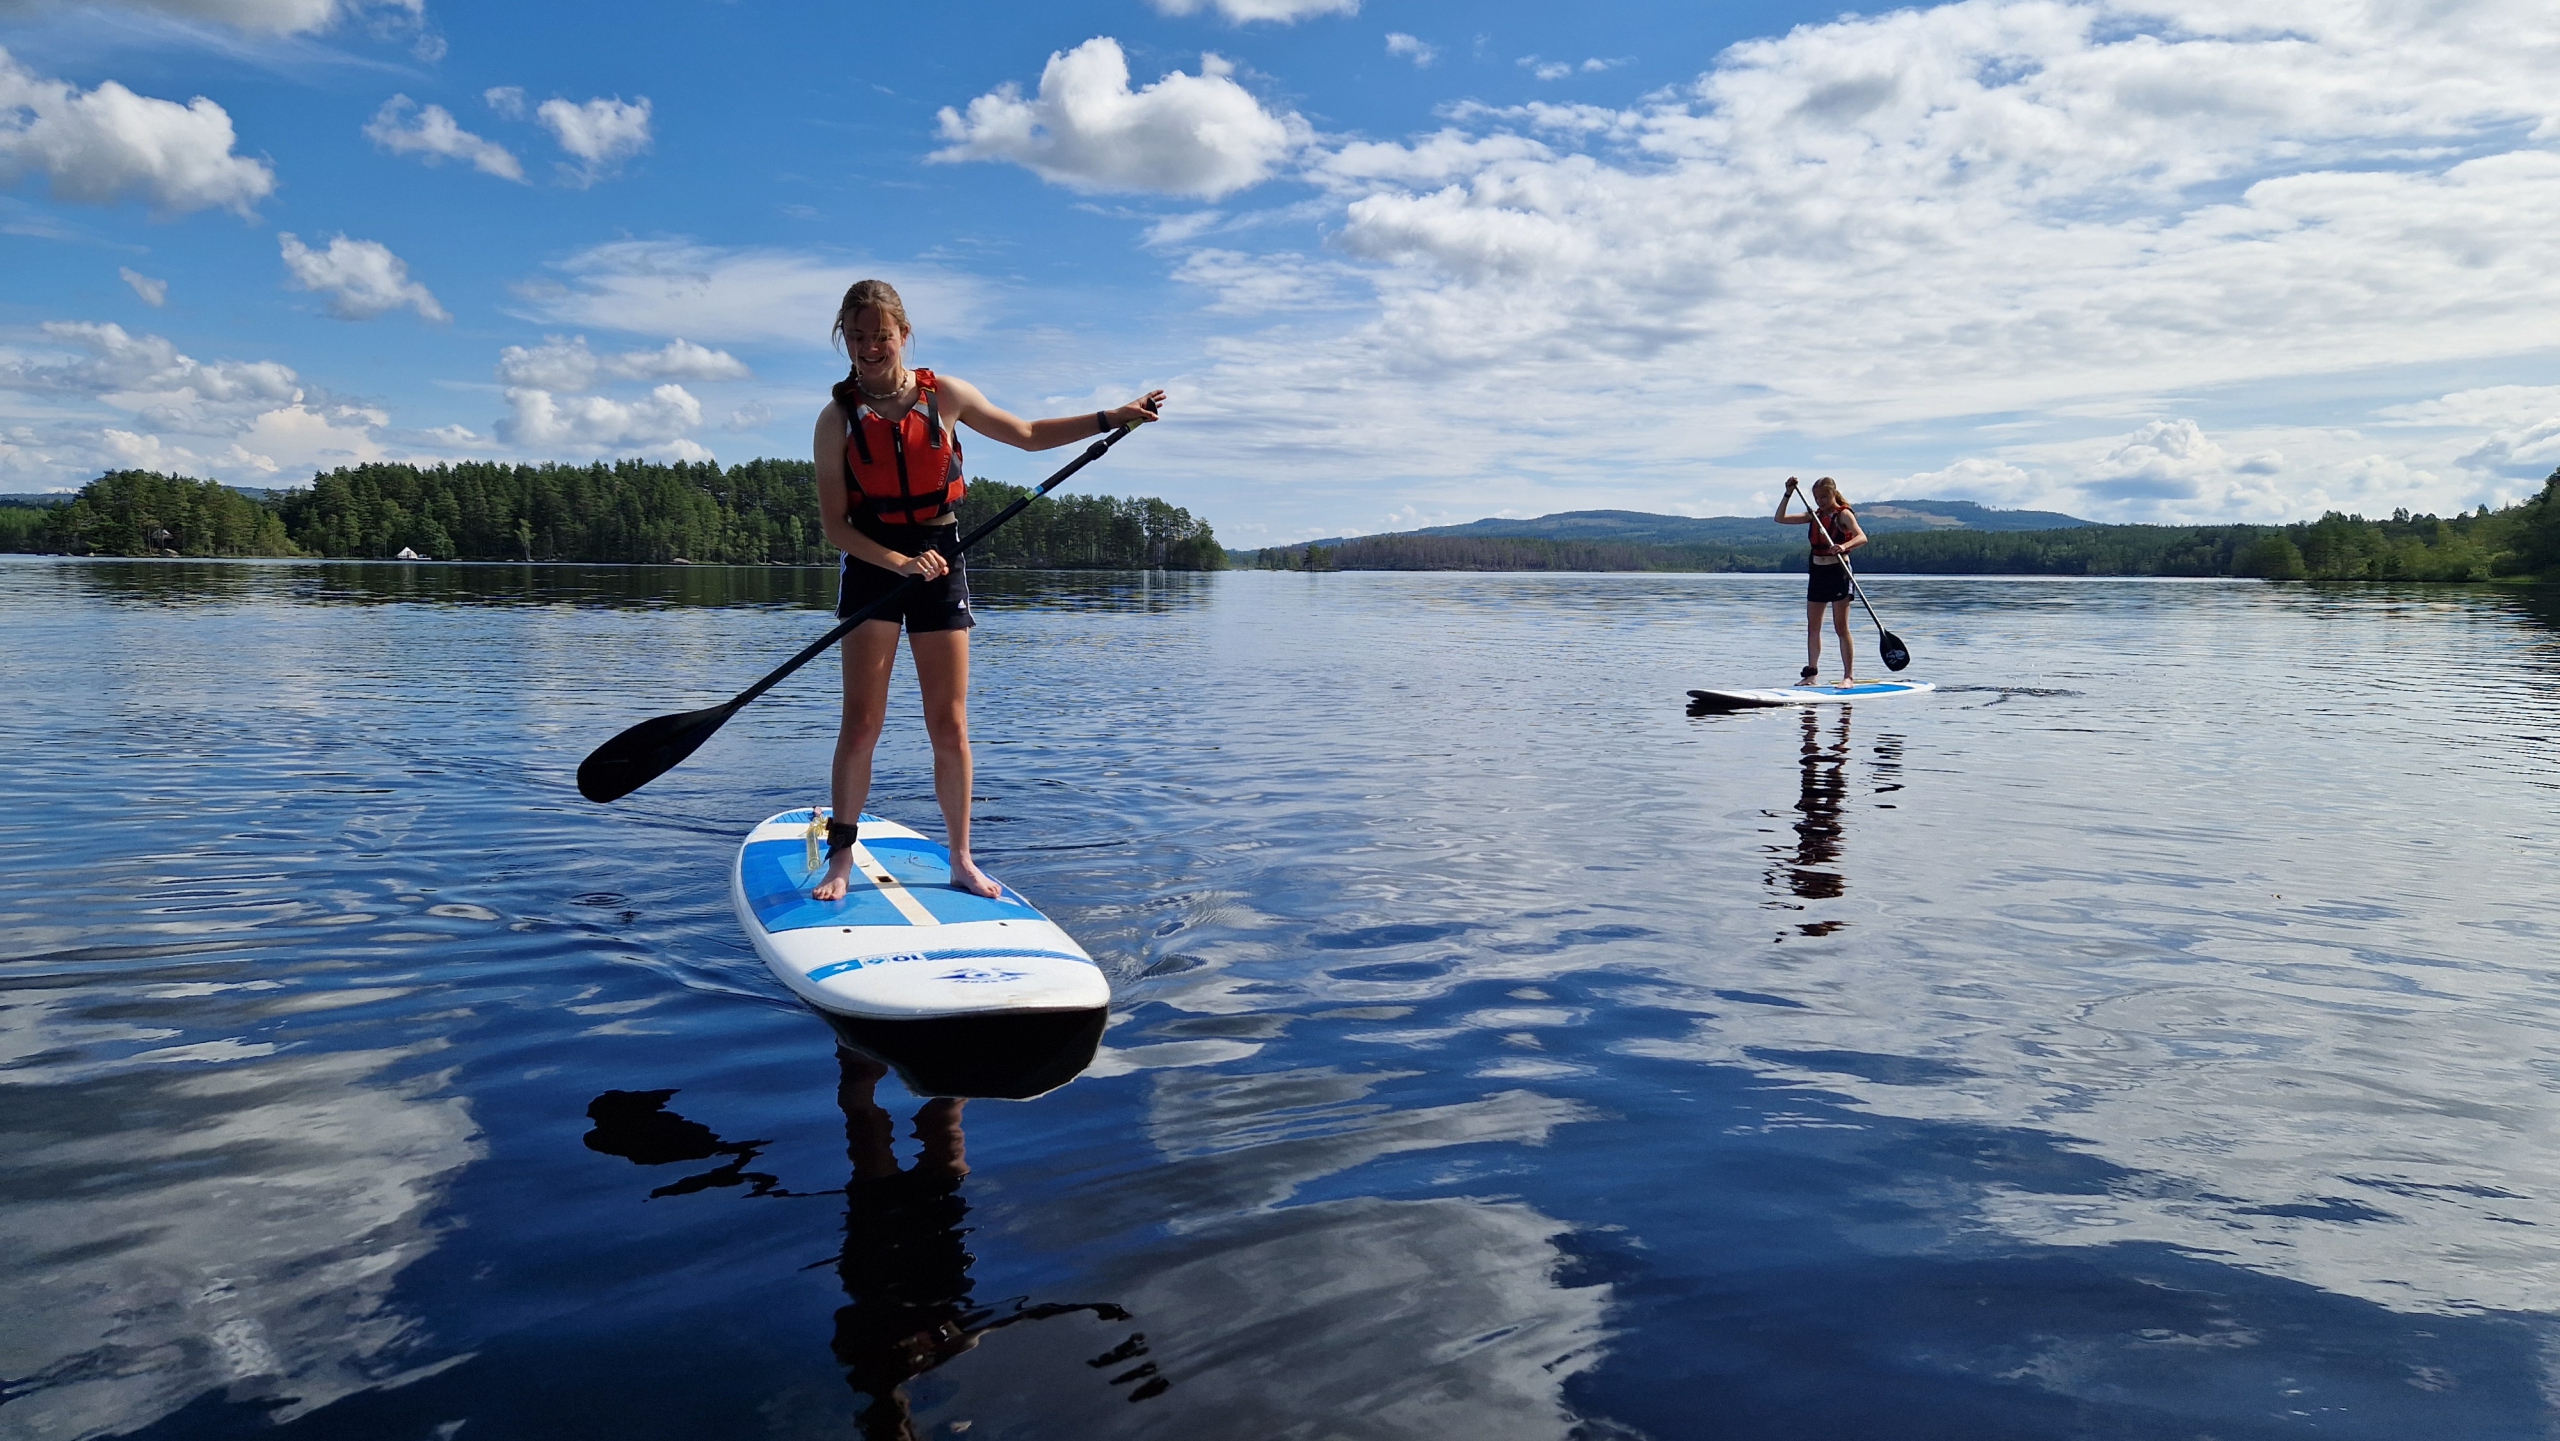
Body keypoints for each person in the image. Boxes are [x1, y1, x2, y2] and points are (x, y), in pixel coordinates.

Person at [812, 278, 1164, 901]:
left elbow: (1027, 433)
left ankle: (962, 859)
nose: (870, 348)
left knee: (949, 725)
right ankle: (842, 858)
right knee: (861, 722)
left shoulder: (943, 394)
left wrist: (1114, 416)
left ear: (904, 333)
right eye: (859, 338)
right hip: (875, 567)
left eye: (881, 336)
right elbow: (836, 526)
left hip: (943, 563)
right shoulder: (836, 419)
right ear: (846, 338)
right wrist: (897, 562)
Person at [1775, 476, 1867, 686]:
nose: (1820, 501)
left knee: (1840, 627)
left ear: (1833, 493)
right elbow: (1779, 518)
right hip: (1818, 573)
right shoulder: (1814, 516)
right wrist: (1788, 492)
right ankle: (1811, 675)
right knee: (1813, 627)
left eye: (1824, 497)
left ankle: (1848, 677)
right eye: (1816, 497)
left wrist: (1843, 546)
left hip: (1839, 572)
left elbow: (1862, 537)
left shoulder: (1843, 515)